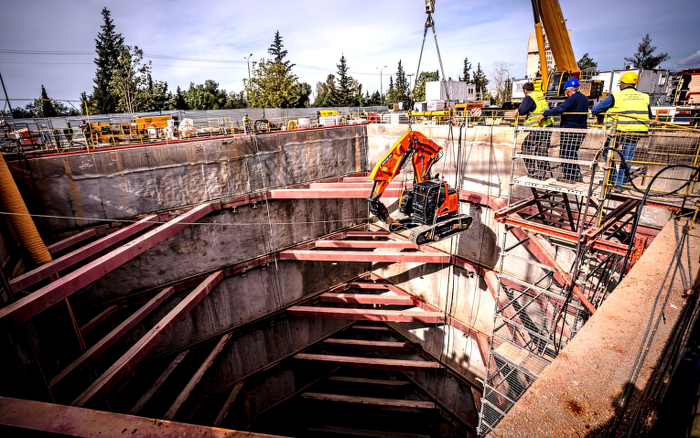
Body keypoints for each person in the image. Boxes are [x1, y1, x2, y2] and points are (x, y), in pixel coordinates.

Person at [592, 71, 651, 187]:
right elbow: (650, 115)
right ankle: (619, 184)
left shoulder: (616, 96)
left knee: (607, 152)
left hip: (620, 130)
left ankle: (612, 178)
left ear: (623, 85)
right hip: (638, 131)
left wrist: (606, 113)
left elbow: (595, 110)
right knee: (627, 157)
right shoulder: (644, 96)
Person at [539, 77, 589, 182]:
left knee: (566, 153)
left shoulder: (572, 99)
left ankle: (569, 177)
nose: (566, 93)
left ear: (569, 90)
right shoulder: (584, 98)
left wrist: (546, 113)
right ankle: (576, 175)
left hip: (570, 129)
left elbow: (561, 109)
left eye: (566, 91)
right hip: (582, 129)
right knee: (572, 152)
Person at [515, 82, 553, 180]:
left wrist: (518, 110)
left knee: (526, 147)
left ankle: (531, 171)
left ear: (525, 91)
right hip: (548, 126)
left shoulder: (529, 97)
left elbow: (523, 110)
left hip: (538, 127)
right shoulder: (540, 95)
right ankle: (541, 174)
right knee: (542, 151)